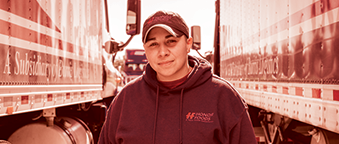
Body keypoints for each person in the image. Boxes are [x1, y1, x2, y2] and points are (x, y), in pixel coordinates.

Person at [98, 10, 257, 144]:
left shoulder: (223, 96)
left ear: (188, 44)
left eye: (171, 41)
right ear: (145, 49)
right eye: (153, 44)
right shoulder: (126, 99)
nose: (162, 52)